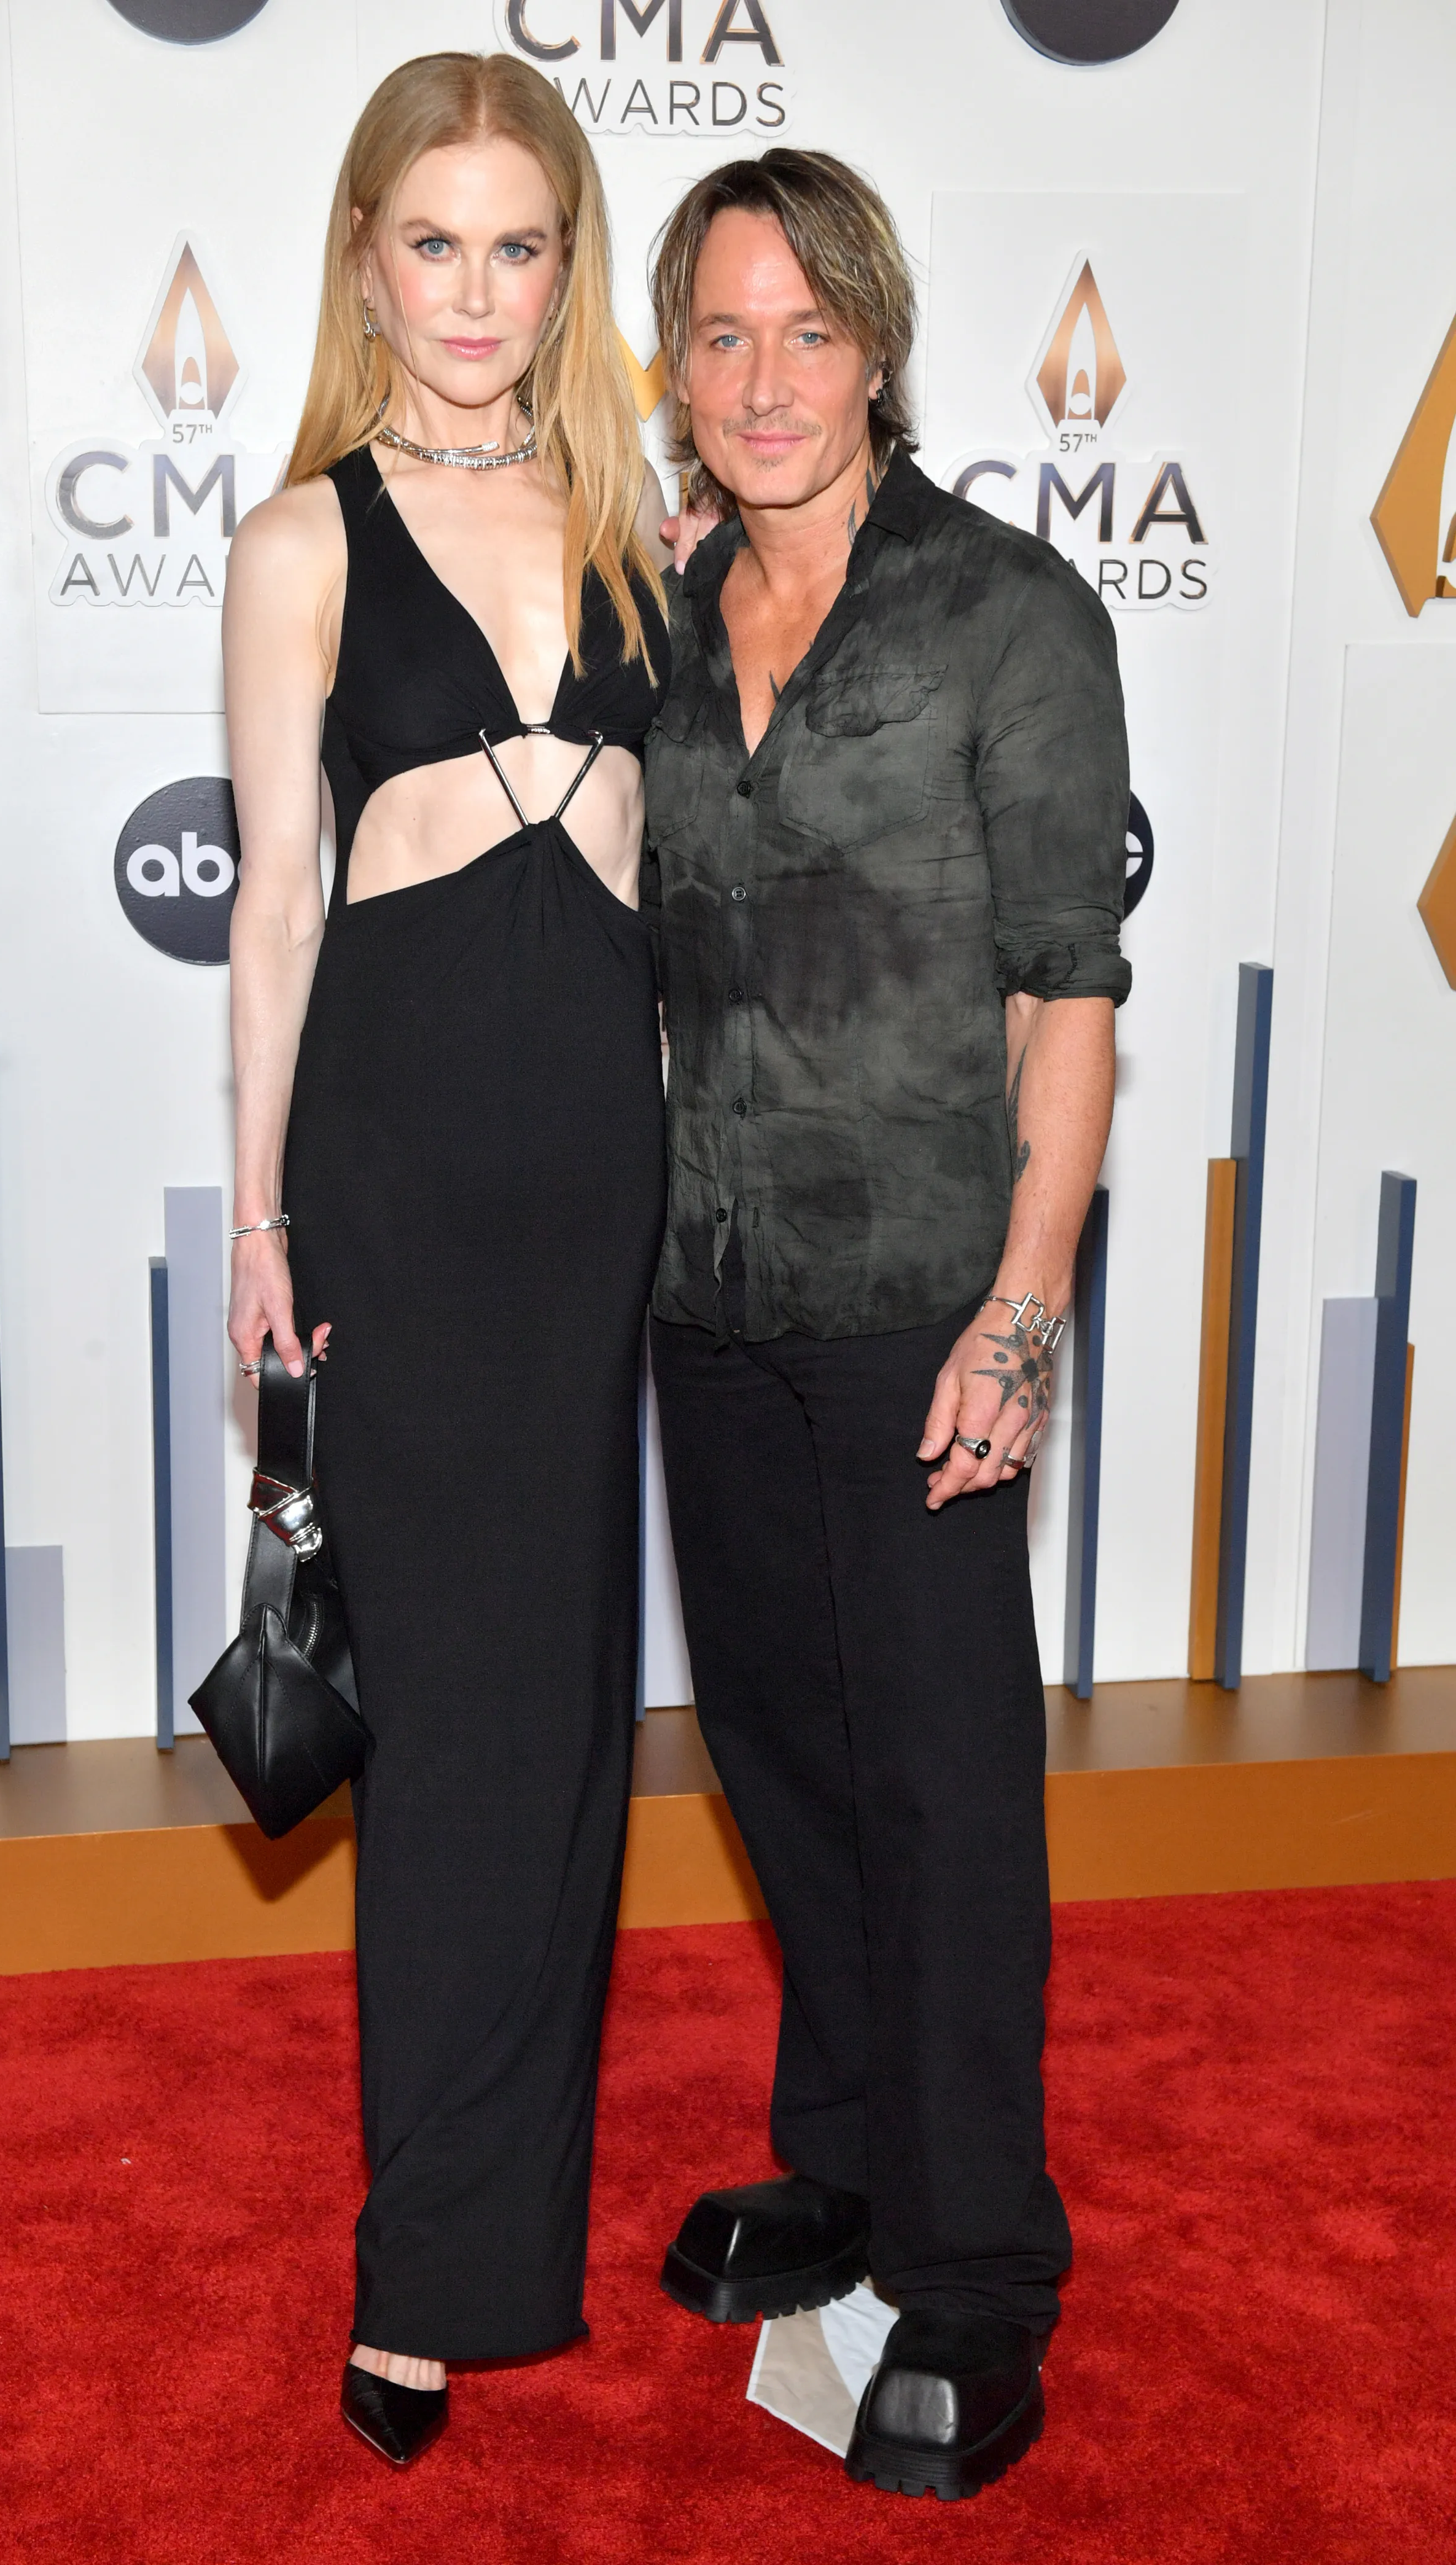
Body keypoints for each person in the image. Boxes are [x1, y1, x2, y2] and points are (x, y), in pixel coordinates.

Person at [641, 150, 1129, 2501]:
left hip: (923, 1302)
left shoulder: (1006, 618)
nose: (762, 379)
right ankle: (836, 2158)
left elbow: (1072, 996)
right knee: (788, 1762)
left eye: (805, 331)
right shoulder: (659, 626)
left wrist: (1022, 1314)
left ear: (878, 344)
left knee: (944, 1799)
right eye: (721, 334)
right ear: (675, 360)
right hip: (707, 1303)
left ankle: (979, 2275)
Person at [222, 52, 669, 2469]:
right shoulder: (302, 541)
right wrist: (266, 1214)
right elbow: (274, 913)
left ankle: (497, 2235)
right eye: (435, 243)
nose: (476, 294)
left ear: (562, 266)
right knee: (447, 1717)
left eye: (521, 247)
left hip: (599, 1155)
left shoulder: (640, 528)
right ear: (367, 258)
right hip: (393, 1157)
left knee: (564, 1714)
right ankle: (420, 2268)